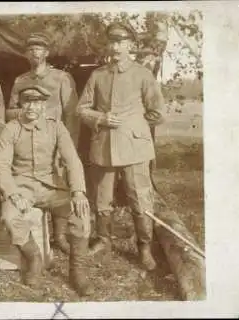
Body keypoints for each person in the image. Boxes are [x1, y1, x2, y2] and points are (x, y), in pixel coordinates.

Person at [77, 22, 165, 271]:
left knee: (140, 198)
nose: (115, 47)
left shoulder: (142, 75)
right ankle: (103, 240)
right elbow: (81, 109)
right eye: (112, 42)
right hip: (103, 146)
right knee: (102, 198)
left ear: (130, 46)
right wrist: (100, 118)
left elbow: (157, 112)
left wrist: (133, 125)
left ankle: (144, 247)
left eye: (121, 42)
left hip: (135, 148)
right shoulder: (98, 75)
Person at [0, 82, 93, 296]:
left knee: (81, 214)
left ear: (43, 106)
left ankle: (78, 271)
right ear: (20, 104)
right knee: (10, 216)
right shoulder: (11, 128)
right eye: (27, 102)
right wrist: (12, 193)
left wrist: (77, 191)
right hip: (23, 187)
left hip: (52, 187)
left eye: (37, 103)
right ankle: (34, 258)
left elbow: (72, 160)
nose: (31, 107)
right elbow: (0, 165)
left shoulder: (55, 126)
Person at [7, 32, 80, 255]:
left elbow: (72, 115)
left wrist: (68, 148)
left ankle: (60, 236)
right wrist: (29, 111)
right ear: (26, 54)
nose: (34, 53)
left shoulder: (61, 78)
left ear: (47, 53)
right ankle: (40, 236)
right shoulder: (21, 81)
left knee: (60, 186)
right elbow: (9, 112)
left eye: (39, 49)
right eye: (30, 49)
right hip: (29, 140)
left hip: (56, 142)